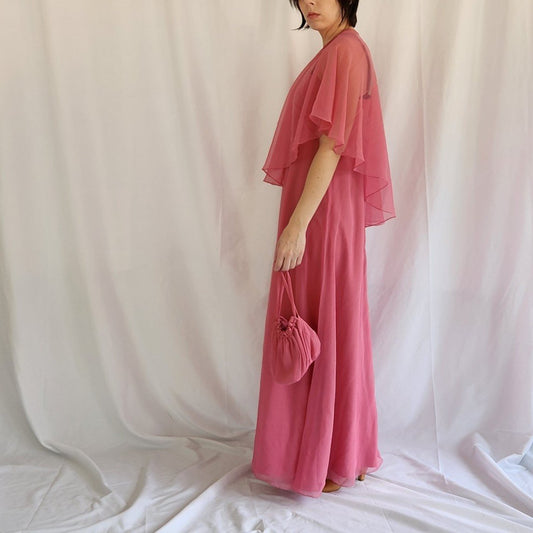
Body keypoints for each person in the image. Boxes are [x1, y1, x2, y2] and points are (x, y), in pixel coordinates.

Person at [251, 0, 396, 497]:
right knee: (329, 318)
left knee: (324, 319)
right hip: (321, 209)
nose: (310, 2)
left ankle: (334, 456)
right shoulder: (336, 51)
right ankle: (344, 451)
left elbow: (333, 146)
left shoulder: (346, 51)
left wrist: (297, 225)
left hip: (321, 213)